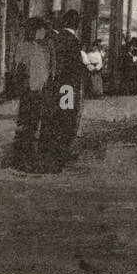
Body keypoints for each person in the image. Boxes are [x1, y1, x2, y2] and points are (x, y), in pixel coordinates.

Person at [42, 9, 86, 162]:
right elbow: (75, 66)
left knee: (57, 117)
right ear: (77, 24)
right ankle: (62, 152)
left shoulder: (58, 38)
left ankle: (53, 150)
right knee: (67, 118)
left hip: (57, 85)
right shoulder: (73, 41)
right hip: (68, 87)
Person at [10, 17, 52, 167]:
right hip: (32, 91)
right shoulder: (30, 48)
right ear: (36, 31)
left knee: (29, 123)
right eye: (42, 30)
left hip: (33, 91)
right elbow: (23, 70)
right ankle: (25, 156)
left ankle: (24, 154)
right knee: (30, 123)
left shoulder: (30, 47)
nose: (44, 33)